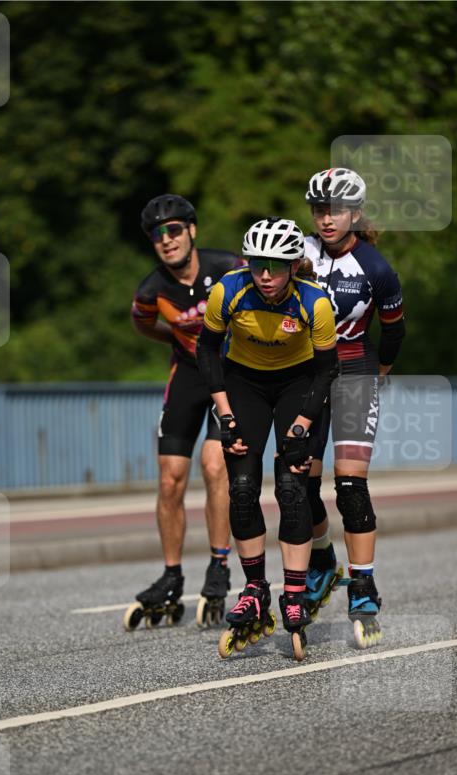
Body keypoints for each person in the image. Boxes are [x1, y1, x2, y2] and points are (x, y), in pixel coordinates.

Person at [196, 217, 338, 660]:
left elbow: (326, 369)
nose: (266, 274)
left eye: (276, 265)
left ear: (293, 265)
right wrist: (225, 415)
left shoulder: (315, 303)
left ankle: (293, 595)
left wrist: (300, 428)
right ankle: (254, 588)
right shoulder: (228, 290)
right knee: (241, 487)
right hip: (245, 384)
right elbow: (206, 350)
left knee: (293, 485)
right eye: (259, 263)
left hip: (301, 384)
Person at [125, 194, 243, 631]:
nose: (166, 240)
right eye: (157, 235)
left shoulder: (229, 266)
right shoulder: (152, 289)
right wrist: (175, 339)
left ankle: (218, 565)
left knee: (214, 465)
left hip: (232, 375)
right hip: (189, 374)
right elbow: (142, 322)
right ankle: (172, 575)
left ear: (192, 231)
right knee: (170, 476)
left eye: (174, 230)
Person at [302, 167, 406, 647]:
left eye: (336, 210)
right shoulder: (300, 253)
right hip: (305, 375)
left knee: (349, 484)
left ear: (355, 213)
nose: (326, 218)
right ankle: (323, 561)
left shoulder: (376, 269)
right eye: (319, 209)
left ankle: (363, 587)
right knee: (297, 481)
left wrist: (377, 373)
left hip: (355, 371)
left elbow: (395, 331)